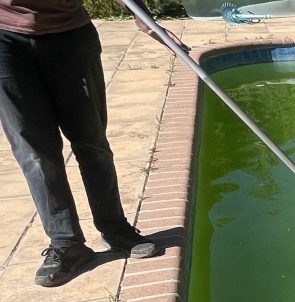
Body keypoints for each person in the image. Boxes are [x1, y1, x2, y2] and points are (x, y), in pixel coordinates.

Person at [0, 0, 186, 286]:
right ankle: (66, 243)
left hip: (70, 35)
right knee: (34, 150)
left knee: (92, 141)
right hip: (5, 39)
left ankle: (116, 229)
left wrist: (146, 21)